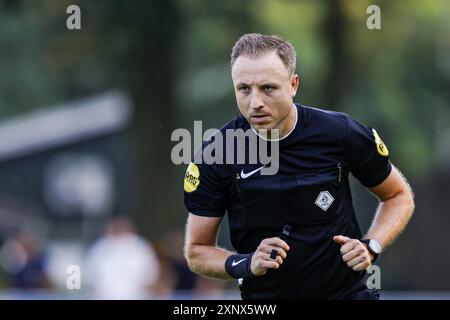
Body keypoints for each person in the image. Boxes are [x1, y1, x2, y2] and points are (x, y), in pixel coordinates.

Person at [183, 33, 415, 299]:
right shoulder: (217, 153)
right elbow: (197, 251)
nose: (255, 102)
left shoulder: (341, 133)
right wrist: (246, 263)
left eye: (268, 88)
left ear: (293, 85)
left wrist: (371, 245)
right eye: (244, 89)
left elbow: (399, 196)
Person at [84, 216, 160, 299]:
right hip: (104, 296)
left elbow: (151, 275)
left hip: (136, 296)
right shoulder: (100, 247)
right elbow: (89, 276)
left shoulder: (141, 247)